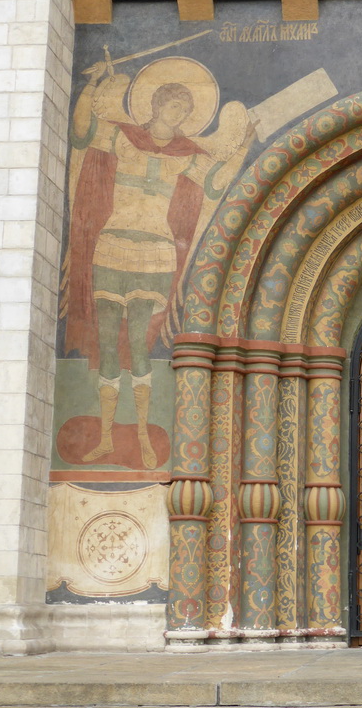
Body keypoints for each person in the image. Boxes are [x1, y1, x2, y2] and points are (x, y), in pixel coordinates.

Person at [64, 59, 252, 468]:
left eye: (183, 113)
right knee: (108, 342)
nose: (177, 117)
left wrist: (242, 148)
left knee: (139, 345)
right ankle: (108, 438)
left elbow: (218, 182)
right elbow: (81, 133)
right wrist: (90, 88)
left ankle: (146, 439)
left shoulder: (187, 154)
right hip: (112, 245)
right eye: (171, 108)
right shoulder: (121, 138)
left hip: (157, 252)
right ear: (154, 105)